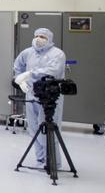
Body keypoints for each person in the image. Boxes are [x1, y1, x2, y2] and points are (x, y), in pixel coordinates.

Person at [12, 27, 68, 166]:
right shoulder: (27, 52)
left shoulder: (57, 54)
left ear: (49, 39)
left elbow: (53, 71)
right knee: (33, 127)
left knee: (49, 128)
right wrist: (21, 81)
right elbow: (17, 66)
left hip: (50, 96)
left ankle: (53, 161)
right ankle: (40, 158)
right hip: (31, 94)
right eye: (36, 35)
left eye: (42, 37)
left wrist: (30, 73)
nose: (38, 39)